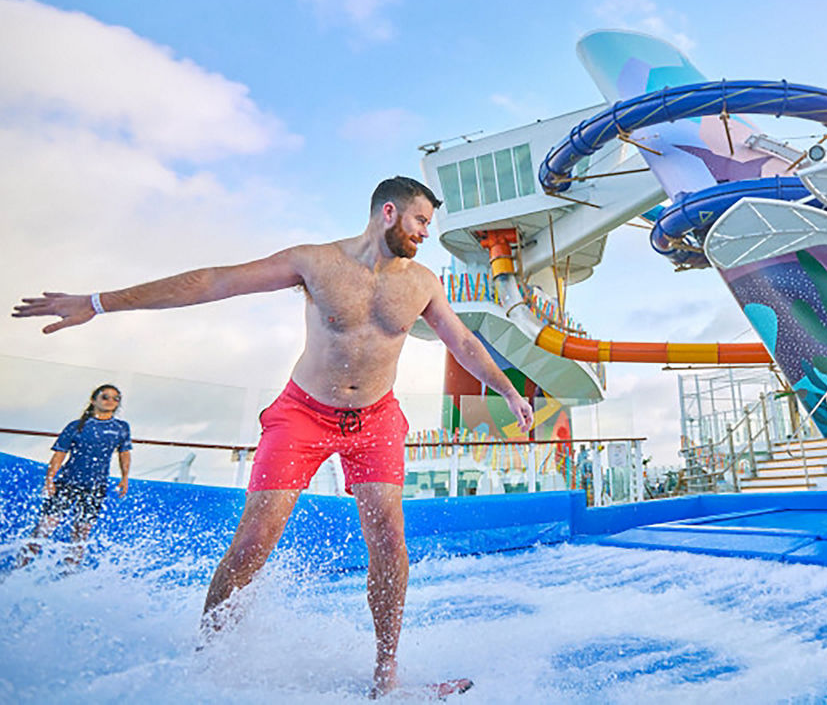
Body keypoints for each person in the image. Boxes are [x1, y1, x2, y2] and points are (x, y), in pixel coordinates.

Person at [12, 176, 535, 696]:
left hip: (376, 418)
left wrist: (507, 392)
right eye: (422, 220)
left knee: (390, 544)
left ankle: (386, 679)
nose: (427, 232)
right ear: (390, 213)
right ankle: (207, 665)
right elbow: (215, 281)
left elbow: (461, 340)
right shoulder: (316, 262)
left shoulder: (421, 283)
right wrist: (100, 302)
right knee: (253, 544)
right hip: (303, 414)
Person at [20, 383, 132, 568]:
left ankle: (68, 574)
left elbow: (124, 452)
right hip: (67, 483)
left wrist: (125, 477)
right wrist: (50, 480)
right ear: (93, 400)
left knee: (81, 535)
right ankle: (18, 568)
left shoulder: (121, 427)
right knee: (44, 528)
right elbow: (59, 454)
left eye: (116, 398)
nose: (111, 401)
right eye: (105, 396)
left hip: (95, 487)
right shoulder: (77, 426)